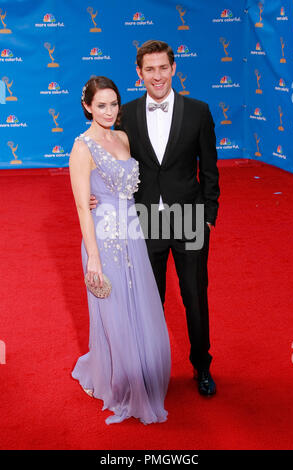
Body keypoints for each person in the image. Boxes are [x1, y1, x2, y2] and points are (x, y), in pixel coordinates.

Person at [90, 40, 220, 396]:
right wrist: (91, 191)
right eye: (150, 69)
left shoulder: (198, 111)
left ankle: (202, 366)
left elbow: (210, 169)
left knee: (195, 296)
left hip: (190, 218)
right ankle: (150, 371)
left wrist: (209, 216)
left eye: (163, 67)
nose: (157, 75)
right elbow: (104, 156)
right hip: (143, 221)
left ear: (174, 68)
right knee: (149, 300)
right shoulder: (126, 114)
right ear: (139, 73)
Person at [69, 76, 171, 425]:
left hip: (131, 233)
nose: (109, 111)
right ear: (87, 107)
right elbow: (84, 206)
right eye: (101, 105)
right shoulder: (82, 147)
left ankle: (136, 369)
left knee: (136, 303)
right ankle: (117, 380)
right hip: (103, 239)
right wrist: (93, 257)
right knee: (113, 311)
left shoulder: (123, 137)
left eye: (113, 104)